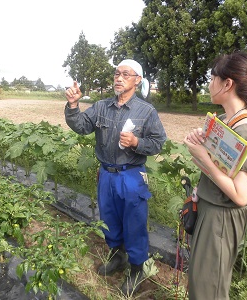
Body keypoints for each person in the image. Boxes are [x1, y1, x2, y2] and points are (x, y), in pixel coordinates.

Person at [64, 59, 167, 296]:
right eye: (116, 74)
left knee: (134, 222)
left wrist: (137, 142)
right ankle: (117, 256)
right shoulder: (101, 107)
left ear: (137, 80)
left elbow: (158, 143)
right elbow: (81, 125)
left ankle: (137, 268)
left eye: (125, 74)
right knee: (109, 217)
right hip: (107, 174)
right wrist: (72, 105)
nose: (118, 78)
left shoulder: (146, 111)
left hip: (131, 176)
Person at [183, 52, 247, 299]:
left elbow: (242, 195)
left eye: (213, 77)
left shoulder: (246, 130)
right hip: (209, 209)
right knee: (199, 283)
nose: (209, 83)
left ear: (227, 84)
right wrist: (199, 145)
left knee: (208, 290)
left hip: (221, 220)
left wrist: (204, 159)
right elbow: (219, 169)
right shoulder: (226, 121)